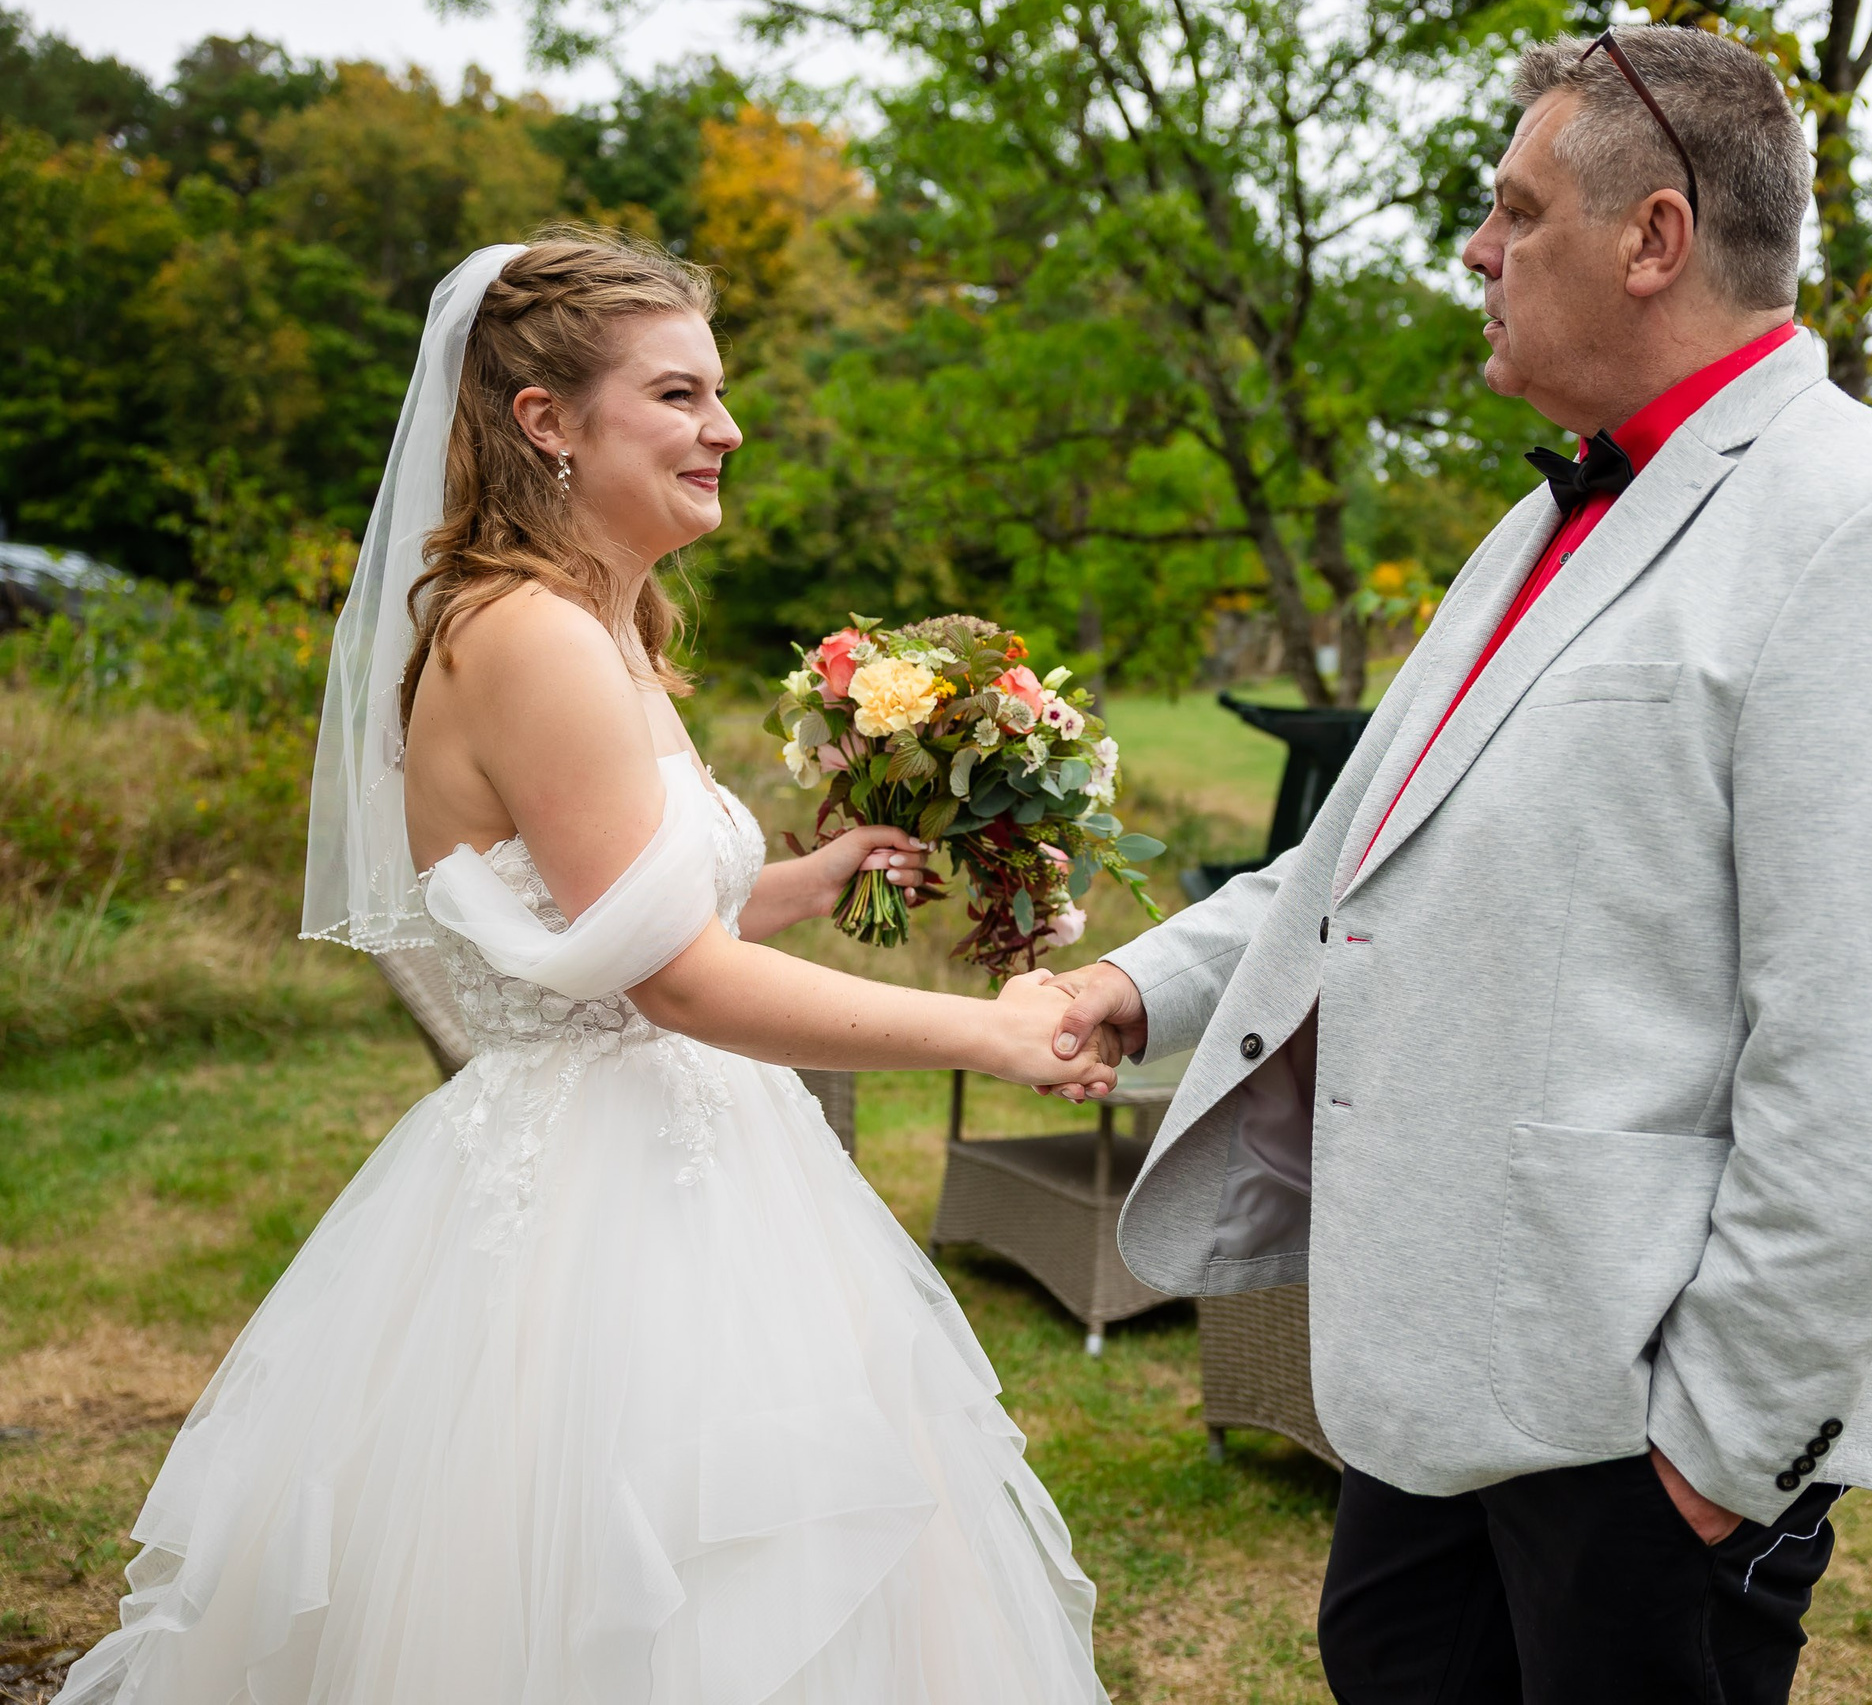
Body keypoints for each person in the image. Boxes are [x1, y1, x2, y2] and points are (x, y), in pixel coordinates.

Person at [1042, 27, 1872, 1705]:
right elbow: (1363, 854)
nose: (1475, 249)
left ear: (1654, 239)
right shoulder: (1540, 526)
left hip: (1637, 1421)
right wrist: (1132, 987)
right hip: (1437, 1377)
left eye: (1514, 211)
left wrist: (1716, 1460)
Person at [59, 232, 1116, 1705]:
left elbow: (609, 928)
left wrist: (800, 879)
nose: (725, 430)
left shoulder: (595, 621)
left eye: (720, 394)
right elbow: (669, 987)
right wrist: (987, 1037)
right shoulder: (533, 636)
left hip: (686, 1156)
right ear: (547, 421)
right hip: (601, 1207)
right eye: (679, 395)